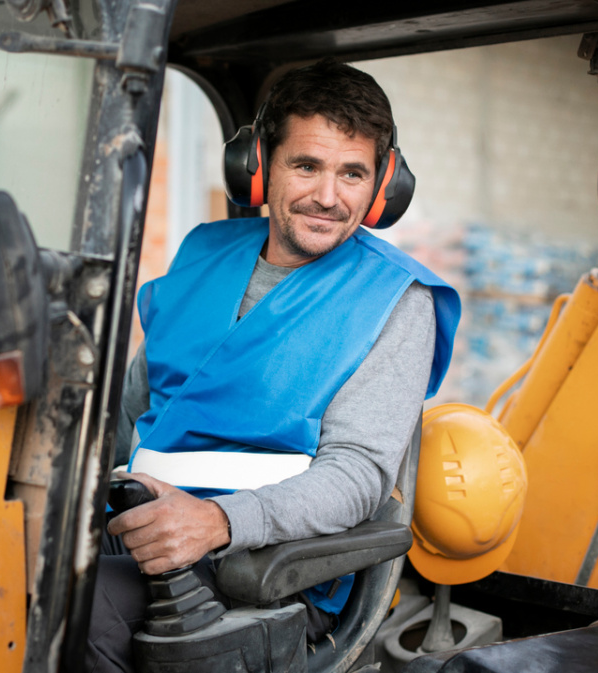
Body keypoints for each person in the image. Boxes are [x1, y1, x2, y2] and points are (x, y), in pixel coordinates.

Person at [85, 58, 460, 673]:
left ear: (382, 185)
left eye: (352, 174)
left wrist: (216, 521)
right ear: (259, 165)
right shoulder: (201, 254)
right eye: (307, 165)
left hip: (267, 569)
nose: (328, 197)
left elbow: (358, 474)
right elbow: (131, 413)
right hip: (137, 528)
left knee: (76, 609)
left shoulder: (395, 298)